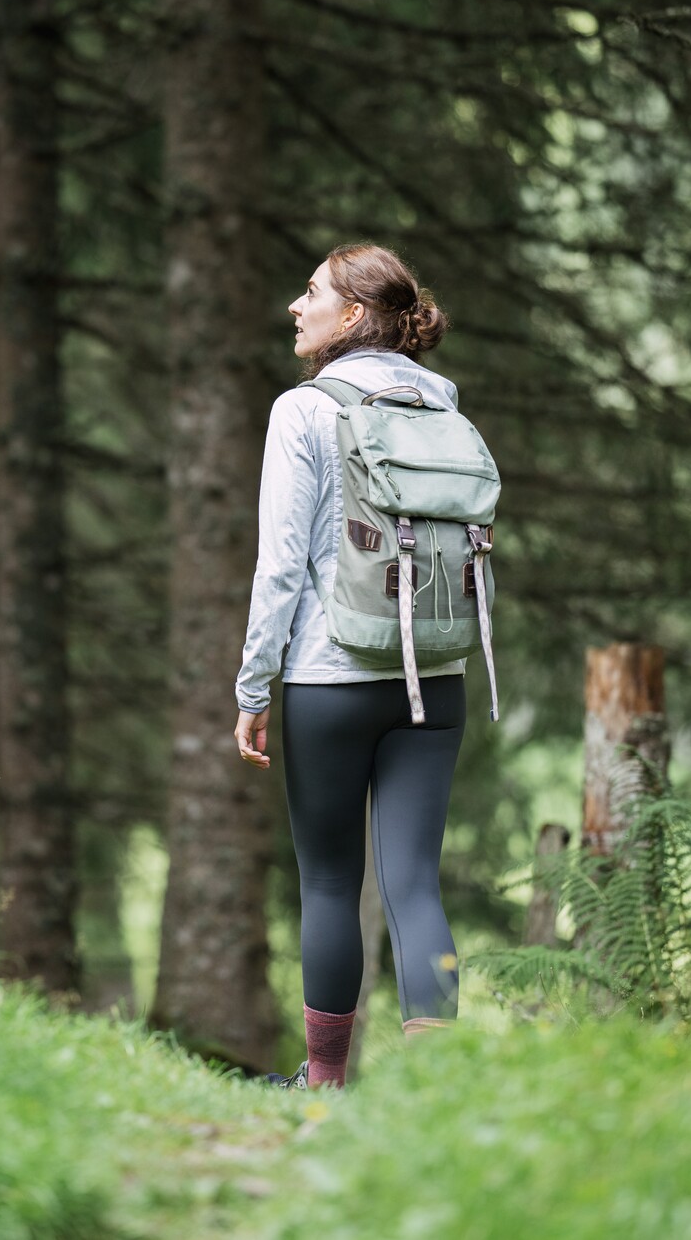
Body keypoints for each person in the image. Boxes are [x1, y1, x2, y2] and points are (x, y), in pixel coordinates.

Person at [233, 243, 465, 1091]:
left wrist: (253, 686)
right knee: (414, 881)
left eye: (311, 292)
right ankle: (436, 1089)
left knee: (331, 882)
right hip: (434, 672)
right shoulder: (441, 400)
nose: (296, 307)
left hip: (330, 674)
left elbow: (280, 567)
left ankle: (325, 1086)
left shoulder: (302, 409)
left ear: (354, 315)